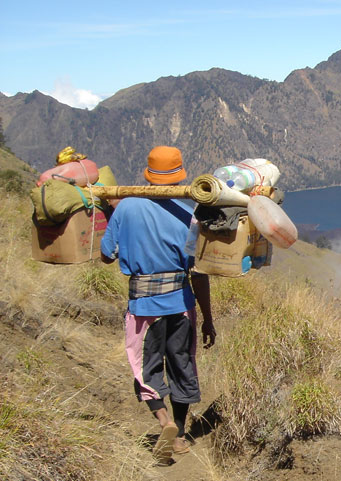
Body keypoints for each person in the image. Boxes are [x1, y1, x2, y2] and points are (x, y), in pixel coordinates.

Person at [100, 145, 215, 465]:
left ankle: (163, 422)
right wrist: (208, 318)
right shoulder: (189, 215)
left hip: (143, 308)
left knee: (146, 367)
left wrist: (113, 214)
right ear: (180, 174)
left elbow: (106, 255)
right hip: (180, 305)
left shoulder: (126, 208)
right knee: (182, 364)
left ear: (147, 174)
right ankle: (178, 435)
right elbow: (199, 273)